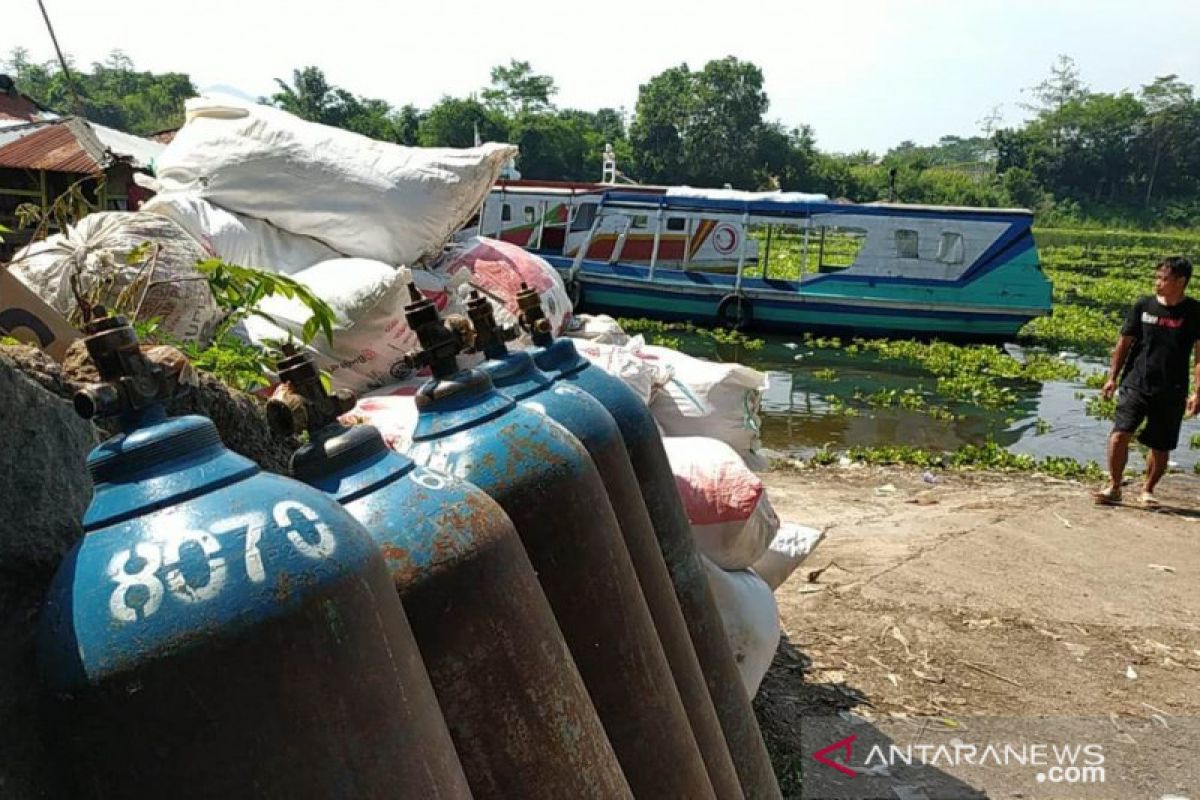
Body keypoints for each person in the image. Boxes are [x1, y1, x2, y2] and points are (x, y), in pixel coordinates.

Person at [1095, 256, 1200, 506]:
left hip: (1171, 388)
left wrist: (1198, 392)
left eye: (1164, 279)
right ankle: (1114, 486)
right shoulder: (1143, 306)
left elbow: (1199, 355)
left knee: (1160, 446)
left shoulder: (1195, 312)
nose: (1158, 283)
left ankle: (1148, 489)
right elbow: (1124, 343)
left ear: (1180, 281)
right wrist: (1112, 378)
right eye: (1157, 277)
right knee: (1120, 434)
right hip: (1136, 382)